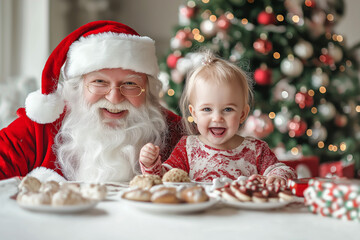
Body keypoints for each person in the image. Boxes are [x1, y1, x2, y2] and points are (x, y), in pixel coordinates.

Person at [0, 20, 183, 183]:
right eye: (99, 82)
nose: (114, 98)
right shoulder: (39, 127)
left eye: (130, 83)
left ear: (148, 90)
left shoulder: (175, 133)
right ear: (77, 87)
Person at [139, 51, 297, 184]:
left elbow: (283, 169)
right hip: (202, 215)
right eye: (207, 109)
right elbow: (165, 178)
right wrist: (151, 163)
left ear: (242, 114)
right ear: (194, 113)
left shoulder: (255, 150)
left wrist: (277, 177)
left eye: (228, 109)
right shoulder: (188, 148)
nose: (217, 118)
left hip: (244, 217)